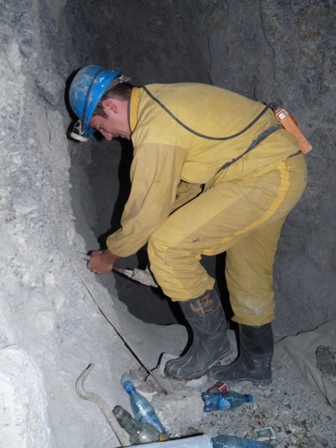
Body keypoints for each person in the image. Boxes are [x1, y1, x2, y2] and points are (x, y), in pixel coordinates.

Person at [68, 65, 307, 384]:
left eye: (101, 127)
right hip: (278, 170)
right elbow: (185, 188)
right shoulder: (162, 98)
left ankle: (214, 344)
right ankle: (256, 363)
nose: (108, 137)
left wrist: (110, 255)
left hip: (260, 178)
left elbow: (145, 212)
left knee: (167, 248)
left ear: (111, 106)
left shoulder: (156, 129)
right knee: (247, 271)